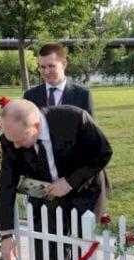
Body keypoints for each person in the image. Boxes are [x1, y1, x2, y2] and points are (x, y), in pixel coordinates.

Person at [0, 99, 112, 260]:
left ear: (36, 127)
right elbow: (6, 185)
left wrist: (69, 182)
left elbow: (103, 152)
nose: (16, 146)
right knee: (43, 249)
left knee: (79, 250)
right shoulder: (11, 138)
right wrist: (6, 235)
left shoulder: (74, 119)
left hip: (84, 191)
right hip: (45, 196)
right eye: (11, 140)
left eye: (20, 140)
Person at [24, 42, 108, 217]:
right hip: (46, 181)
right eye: (42, 67)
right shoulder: (30, 96)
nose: (46, 72)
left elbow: (90, 141)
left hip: (76, 179)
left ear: (64, 63)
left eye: (51, 66)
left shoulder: (82, 94)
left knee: (78, 238)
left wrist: (71, 180)